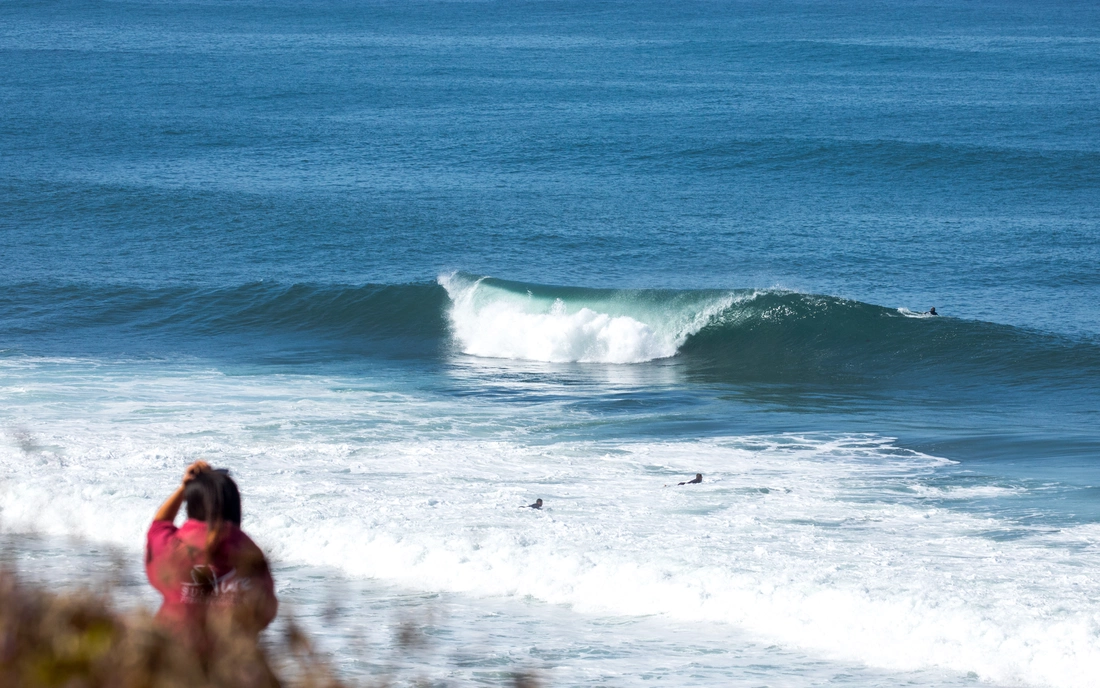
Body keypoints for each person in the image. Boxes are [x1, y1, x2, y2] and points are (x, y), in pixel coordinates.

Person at [146, 461, 277, 647]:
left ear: (191, 507)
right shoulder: (248, 551)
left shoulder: (174, 547)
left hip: (170, 660)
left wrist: (184, 487)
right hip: (227, 666)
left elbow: (159, 524)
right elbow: (266, 610)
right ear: (234, 508)